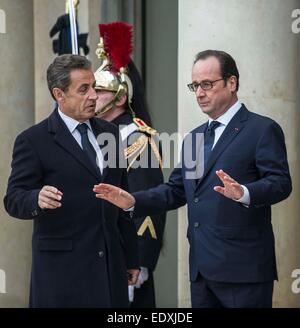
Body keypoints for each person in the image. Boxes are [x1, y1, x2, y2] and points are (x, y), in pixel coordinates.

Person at [93, 50, 292, 308]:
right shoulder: (195, 138)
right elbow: (174, 191)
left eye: (207, 84)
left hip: (244, 271)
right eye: (195, 85)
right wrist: (132, 200)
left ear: (232, 83)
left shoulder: (262, 129)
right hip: (201, 272)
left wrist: (244, 192)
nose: (199, 92)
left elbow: (280, 183)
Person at [3, 54, 139, 308]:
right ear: (59, 94)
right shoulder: (33, 141)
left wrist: (131, 256)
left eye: (94, 87)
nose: (94, 96)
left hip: (110, 270)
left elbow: (120, 198)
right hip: (62, 275)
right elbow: (13, 199)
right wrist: (36, 198)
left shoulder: (110, 133)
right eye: (83, 89)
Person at [93, 22, 166, 308]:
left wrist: (139, 262)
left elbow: (148, 205)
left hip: (127, 263)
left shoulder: (135, 136)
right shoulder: (94, 134)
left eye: (99, 91)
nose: (92, 96)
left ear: (121, 97)